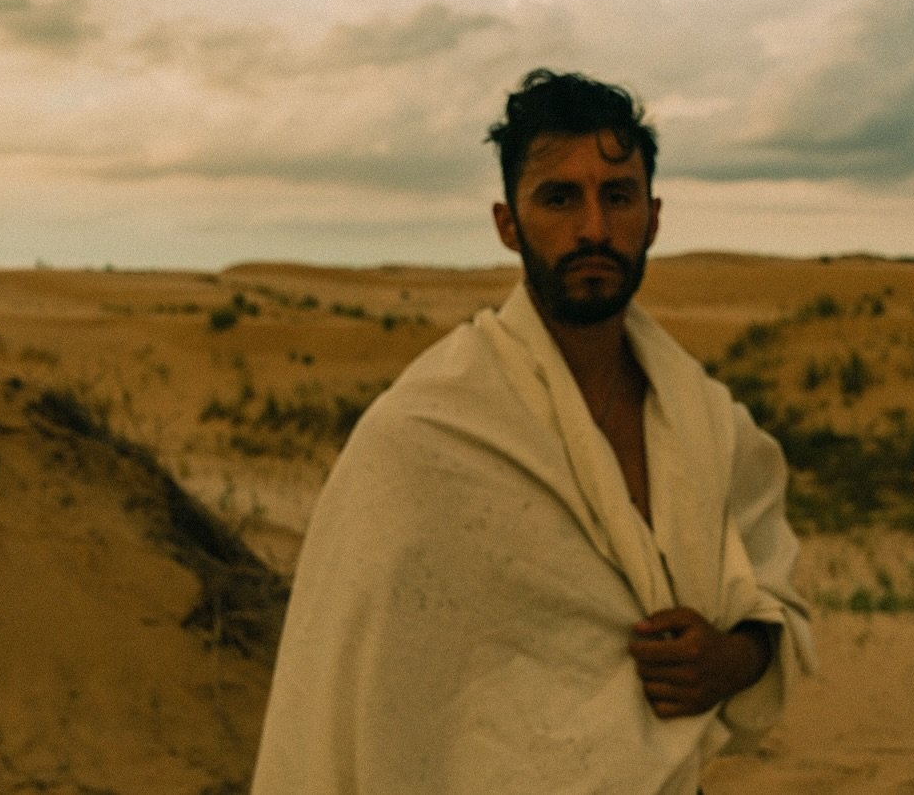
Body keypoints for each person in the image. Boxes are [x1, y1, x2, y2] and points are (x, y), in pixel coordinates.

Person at [250, 69, 815, 795]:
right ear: (507, 223)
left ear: (654, 216)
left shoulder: (712, 427)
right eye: (559, 198)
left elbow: (777, 609)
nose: (593, 229)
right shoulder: (423, 431)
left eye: (618, 196)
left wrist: (731, 661)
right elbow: (354, 681)